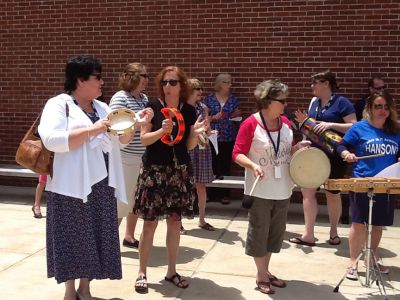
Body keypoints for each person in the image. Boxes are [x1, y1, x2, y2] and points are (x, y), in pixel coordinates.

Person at [38, 55, 143, 300]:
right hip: (70, 187)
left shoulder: (102, 107)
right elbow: (51, 140)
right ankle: (69, 293)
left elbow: (121, 141)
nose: (102, 82)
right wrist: (93, 130)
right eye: (97, 77)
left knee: (93, 236)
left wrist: (135, 126)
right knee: (71, 239)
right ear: (80, 79)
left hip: (102, 184)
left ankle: (85, 290)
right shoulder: (59, 104)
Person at [233, 80, 310, 294]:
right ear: (268, 101)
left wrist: (297, 147)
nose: (286, 105)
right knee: (259, 232)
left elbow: (284, 151)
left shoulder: (284, 123)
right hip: (260, 190)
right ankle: (260, 275)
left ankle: (265, 270)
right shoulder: (250, 123)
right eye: (282, 101)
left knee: (275, 233)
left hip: (283, 188)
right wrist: (252, 164)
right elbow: (237, 153)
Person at [133, 66, 205, 294]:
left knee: (175, 222)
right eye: (164, 82)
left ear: (181, 85)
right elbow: (144, 139)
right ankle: (142, 272)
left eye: (173, 82)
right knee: (150, 223)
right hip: (155, 171)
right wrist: (161, 131)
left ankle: (171, 271)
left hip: (179, 172)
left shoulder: (190, 111)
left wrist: (196, 133)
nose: (168, 87)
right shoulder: (152, 108)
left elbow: (190, 146)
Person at [337, 91, 400, 280]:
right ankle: (353, 262)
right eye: (378, 106)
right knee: (359, 223)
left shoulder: (395, 130)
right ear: (370, 108)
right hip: (363, 182)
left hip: (386, 184)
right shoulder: (359, 127)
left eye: (386, 107)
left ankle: (370, 259)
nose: (382, 111)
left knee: (378, 224)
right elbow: (341, 146)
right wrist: (346, 154)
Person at [292, 70, 356, 247]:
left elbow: (354, 126)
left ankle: (334, 233)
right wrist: (304, 140)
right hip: (313, 154)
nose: (312, 86)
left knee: (332, 194)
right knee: (307, 192)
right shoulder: (314, 102)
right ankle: (308, 234)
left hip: (335, 154)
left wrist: (331, 124)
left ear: (326, 83)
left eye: (315, 83)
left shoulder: (341, 102)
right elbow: (310, 127)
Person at [109, 63, 154, 249]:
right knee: (121, 202)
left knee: (136, 200)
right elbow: (115, 125)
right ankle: (108, 242)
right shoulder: (120, 97)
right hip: (125, 157)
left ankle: (129, 236)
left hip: (142, 157)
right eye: (144, 76)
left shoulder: (144, 98)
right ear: (133, 77)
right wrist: (139, 120)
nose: (147, 80)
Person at [205, 73, 241, 205]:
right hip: (212, 136)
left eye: (230, 82)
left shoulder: (233, 99)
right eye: (227, 82)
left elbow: (237, 114)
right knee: (212, 164)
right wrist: (214, 117)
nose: (230, 85)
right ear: (220, 84)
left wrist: (236, 115)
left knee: (225, 165)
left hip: (228, 135)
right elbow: (204, 117)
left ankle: (224, 194)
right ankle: (211, 193)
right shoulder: (209, 99)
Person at [186, 78, 215, 231]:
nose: (200, 92)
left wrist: (209, 130)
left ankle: (202, 219)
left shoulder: (203, 107)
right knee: (184, 185)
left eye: (201, 88)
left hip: (202, 147)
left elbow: (207, 128)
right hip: (187, 148)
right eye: (197, 89)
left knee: (201, 185)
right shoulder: (182, 107)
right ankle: (179, 222)